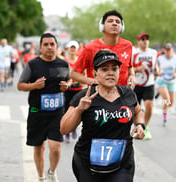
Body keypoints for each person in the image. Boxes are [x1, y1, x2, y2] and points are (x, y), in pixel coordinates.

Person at [60, 49, 145, 182]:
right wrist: (79, 110)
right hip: (87, 164)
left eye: (114, 69)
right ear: (95, 73)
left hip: (122, 162)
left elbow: (138, 111)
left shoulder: (128, 94)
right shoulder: (84, 96)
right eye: (105, 69)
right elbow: (64, 129)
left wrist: (140, 125)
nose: (110, 73)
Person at [17, 33, 71, 182]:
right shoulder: (33, 65)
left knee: (55, 146)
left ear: (57, 47)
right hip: (37, 112)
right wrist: (34, 85)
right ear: (40, 47)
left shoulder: (63, 64)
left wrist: (68, 85)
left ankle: (52, 172)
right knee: (39, 147)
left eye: (52, 44)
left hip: (57, 113)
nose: (49, 47)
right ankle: (41, 177)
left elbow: (69, 79)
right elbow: (20, 85)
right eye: (45, 44)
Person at [70, 9, 135, 89]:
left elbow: (129, 66)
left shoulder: (128, 45)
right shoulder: (90, 47)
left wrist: (132, 75)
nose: (114, 23)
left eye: (118, 22)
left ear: (122, 27)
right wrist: (90, 81)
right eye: (110, 21)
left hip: (121, 96)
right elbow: (73, 74)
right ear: (102, 26)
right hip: (98, 96)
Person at [132, 33, 157, 139]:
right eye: (142, 39)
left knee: (149, 106)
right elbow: (128, 67)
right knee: (135, 109)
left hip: (149, 83)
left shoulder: (153, 52)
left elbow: (155, 65)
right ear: (138, 42)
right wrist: (137, 69)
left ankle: (145, 127)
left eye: (147, 39)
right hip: (136, 83)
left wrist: (157, 70)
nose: (145, 41)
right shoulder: (133, 52)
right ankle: (137, 127)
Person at [155, 43, 176, 126]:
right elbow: (156, 68)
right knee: (166, 99)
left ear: (172, 50)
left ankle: (164, 107)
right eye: (166, 50)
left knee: (170, 103)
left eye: (169, 50)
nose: (168, 51)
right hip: (161, 81)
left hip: (172, 82)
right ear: (164, 50)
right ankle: (165, 118)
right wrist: (157, 72)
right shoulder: (160, 58)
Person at [63, 40, 83, 143]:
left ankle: (74, 128)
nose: (72, 49)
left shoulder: (79, 60)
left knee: (76, 111)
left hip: (78, 90)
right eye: (71, 47)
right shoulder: (65, 61)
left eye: (74, 48)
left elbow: (83, 73)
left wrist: (82, 82)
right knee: (67, 110)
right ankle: (67, 133)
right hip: (68, 89)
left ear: (77, 49)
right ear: (68, 49)